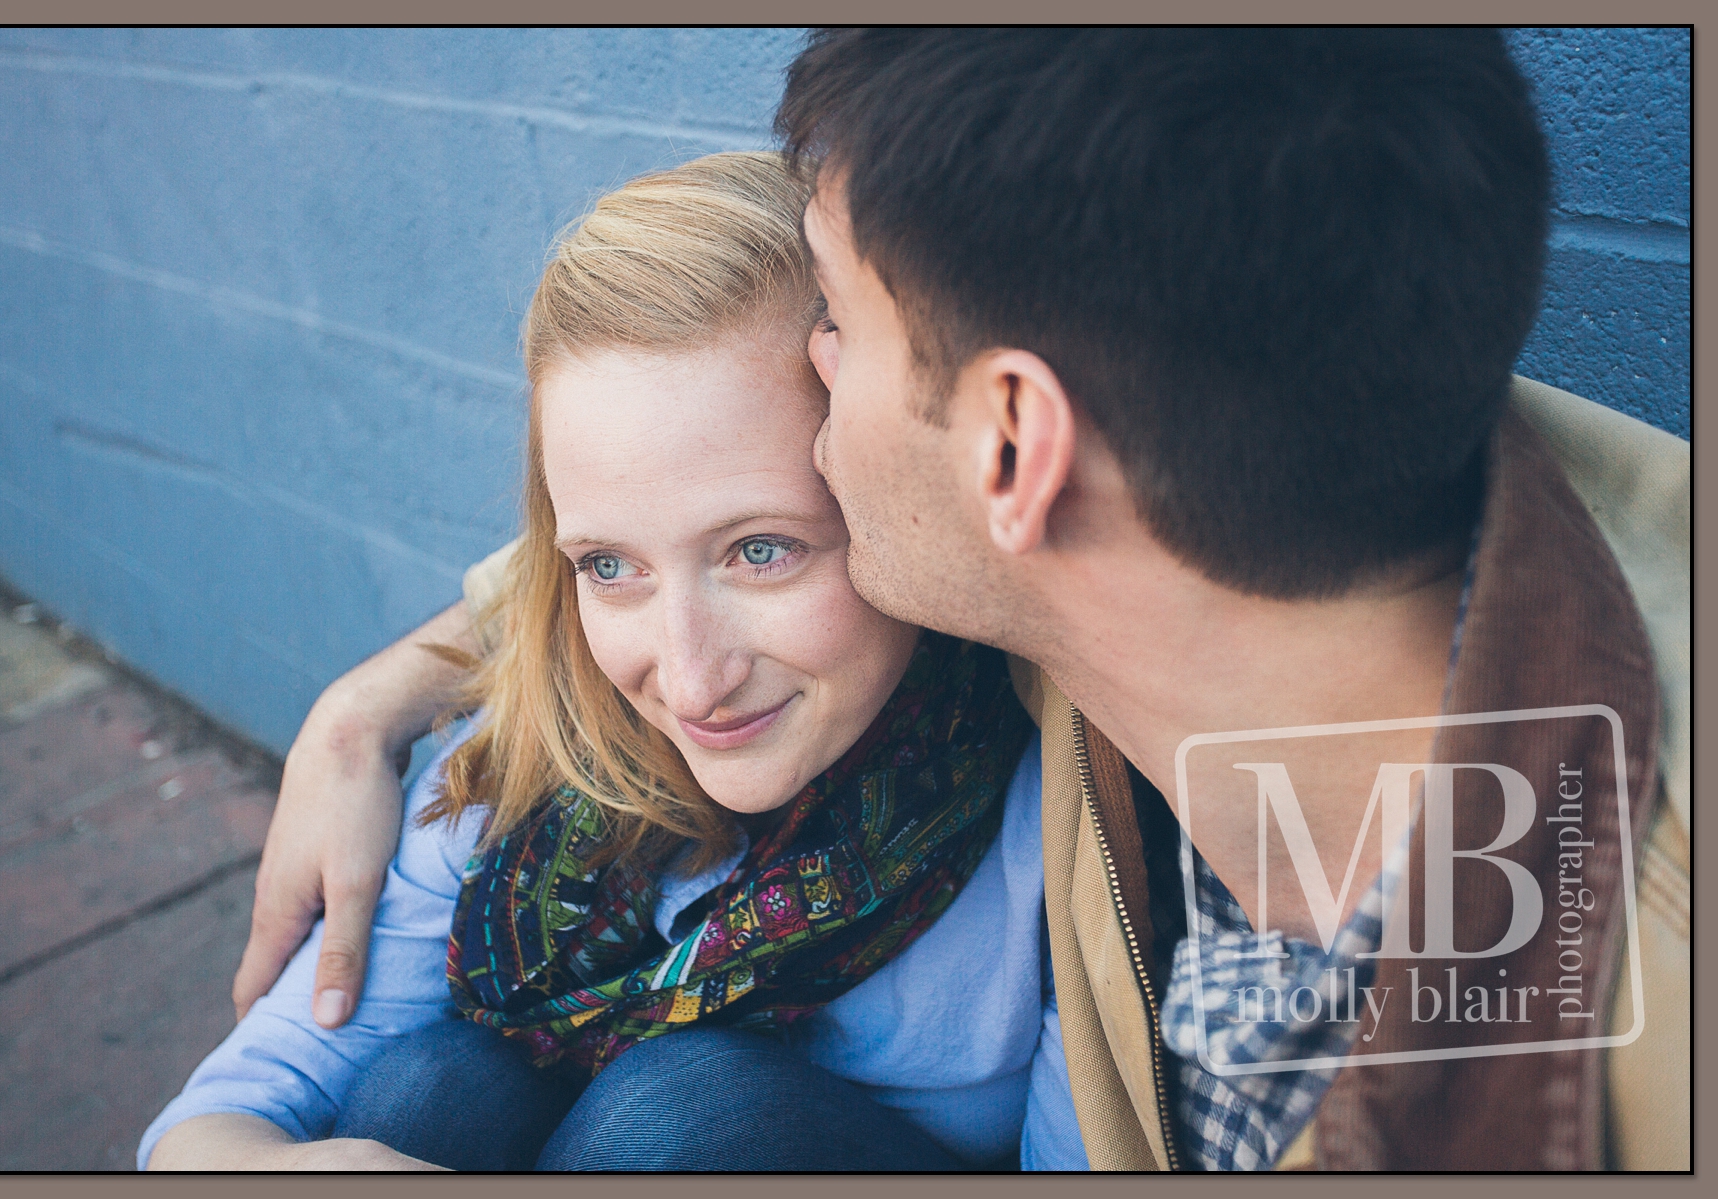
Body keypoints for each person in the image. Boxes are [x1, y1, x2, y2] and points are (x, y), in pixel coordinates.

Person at [235, 30, 1688, 1170]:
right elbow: (638, 542)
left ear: (1011, 448)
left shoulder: (1637, 1056)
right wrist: (377, 697)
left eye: (838, 325)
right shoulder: (1265, 477)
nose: (813, 378)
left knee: (675, 1119)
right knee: (440, 1089)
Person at [142, 152, 1075, 1171]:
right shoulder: (529, 769)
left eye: (762, 550)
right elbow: (215, 1118)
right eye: (610, 565)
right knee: (435, 1086)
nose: (690, 678)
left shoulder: (1052, 814)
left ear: (893, 500)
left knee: (681, 1111)